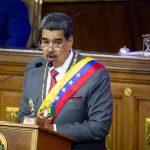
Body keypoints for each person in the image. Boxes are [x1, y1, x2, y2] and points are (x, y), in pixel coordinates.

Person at [18, 12, 113, 150]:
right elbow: (22, 115)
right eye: (45, 42)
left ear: (69, 42)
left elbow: (99, 127)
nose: (49, 49)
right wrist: (31, 122)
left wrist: (53, 129)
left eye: (57, 42)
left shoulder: (95, 74)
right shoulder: (34, 68)